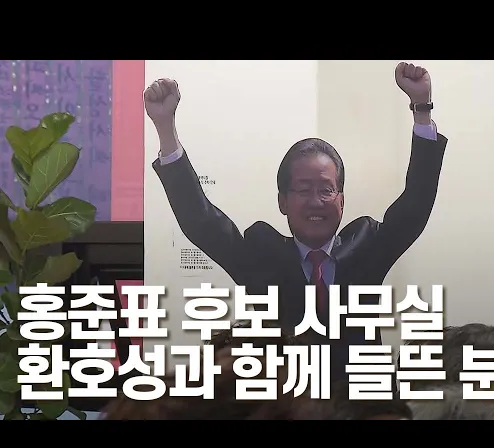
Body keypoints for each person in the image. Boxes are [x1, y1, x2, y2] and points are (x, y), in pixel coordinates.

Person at [144, 62, 448, 383]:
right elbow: (202, 221)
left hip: (362, 401)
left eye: (326, 190)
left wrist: (422, 108)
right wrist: (165, 126)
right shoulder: (261, 256)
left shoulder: (366, 247)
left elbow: (414, 207)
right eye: (303, 190)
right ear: (283, 202)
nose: (316, 201)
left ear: (341, 200)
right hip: (285, 400)